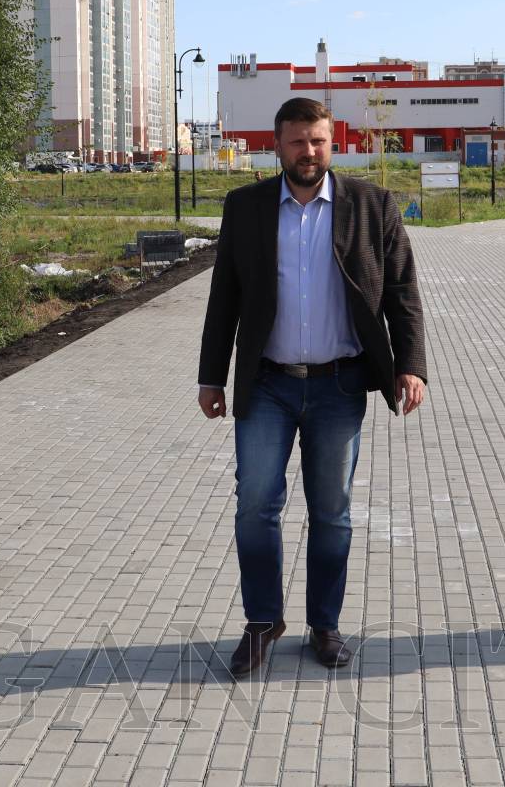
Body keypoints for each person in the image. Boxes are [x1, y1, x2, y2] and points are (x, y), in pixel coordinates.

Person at [198, 97, 428, 677]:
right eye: (298, 141)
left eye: (318, 140)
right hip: (266, 385)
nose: (309, 151)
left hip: (338, 387)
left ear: (332, 143)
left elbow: (401, 290)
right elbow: (224, 295)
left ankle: (324, 625)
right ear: (277, 145)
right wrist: (211, 376)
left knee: (331, 511)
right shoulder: (246, 207)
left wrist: (410, 365)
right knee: (256, 506)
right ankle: (262, 622)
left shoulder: (371, 206)